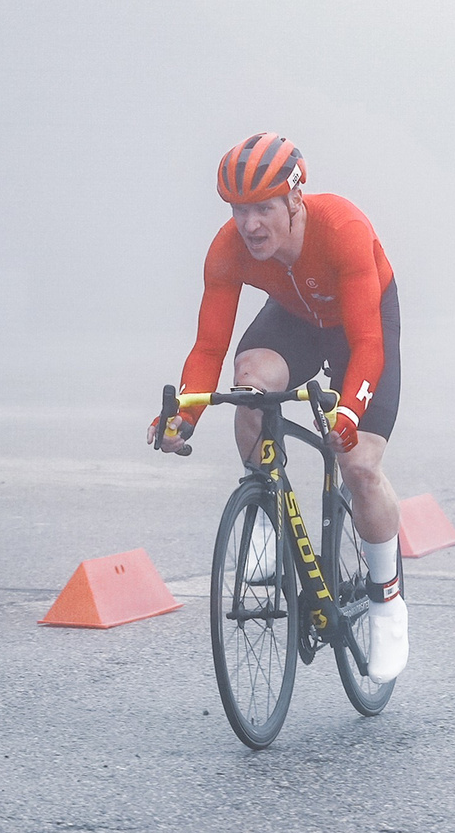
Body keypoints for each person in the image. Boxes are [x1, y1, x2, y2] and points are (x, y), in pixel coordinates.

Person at [150, 133, 409, 681]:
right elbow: (209, 348)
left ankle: (387, 605)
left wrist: (350, 413)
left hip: (358, 329)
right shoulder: (228, 249)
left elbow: (368, 345)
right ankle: (267, 511)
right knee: (249, 383)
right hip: (296, 319)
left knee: (360, 466)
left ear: (295, 199)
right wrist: (185, 415)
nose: (251, 225)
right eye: (240, 210)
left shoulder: (343, 229)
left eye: (264, 207)